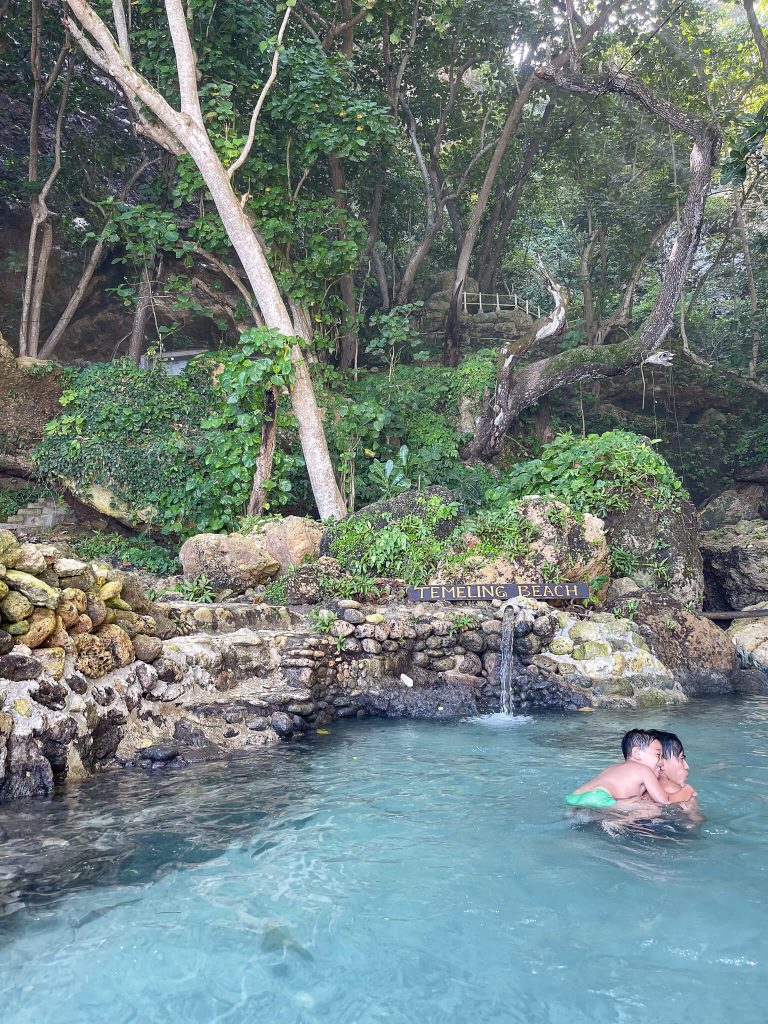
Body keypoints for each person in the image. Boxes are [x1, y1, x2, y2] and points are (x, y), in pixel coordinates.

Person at [565, 728, 696, 809]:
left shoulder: (615, 767)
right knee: (648, 809)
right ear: (637, 753)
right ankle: (613, 824)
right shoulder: (644, 771)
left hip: (575, 796)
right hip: (599, 799)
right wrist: (687, 791)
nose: (661, 762)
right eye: (658, 755)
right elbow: (665, 801)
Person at [649, 729, 696, 798]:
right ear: (660, 761)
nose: (686, 766)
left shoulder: (639, 788)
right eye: (681, 758)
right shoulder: (681, 795)